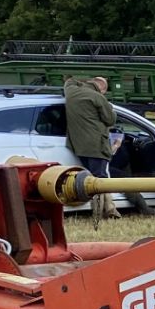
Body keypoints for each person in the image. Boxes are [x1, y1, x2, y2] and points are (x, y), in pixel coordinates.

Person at [62, 75, 123, 220]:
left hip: (78, 145)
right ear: (102, 89)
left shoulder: (71, 91)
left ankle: (109, 208)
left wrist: (84, 81)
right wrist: (111, 109)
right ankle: (103, 211)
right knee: (100, 179)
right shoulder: (98, 97)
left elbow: (69, 81)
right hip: (96, 145)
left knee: (93, 178)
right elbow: (110, 119)